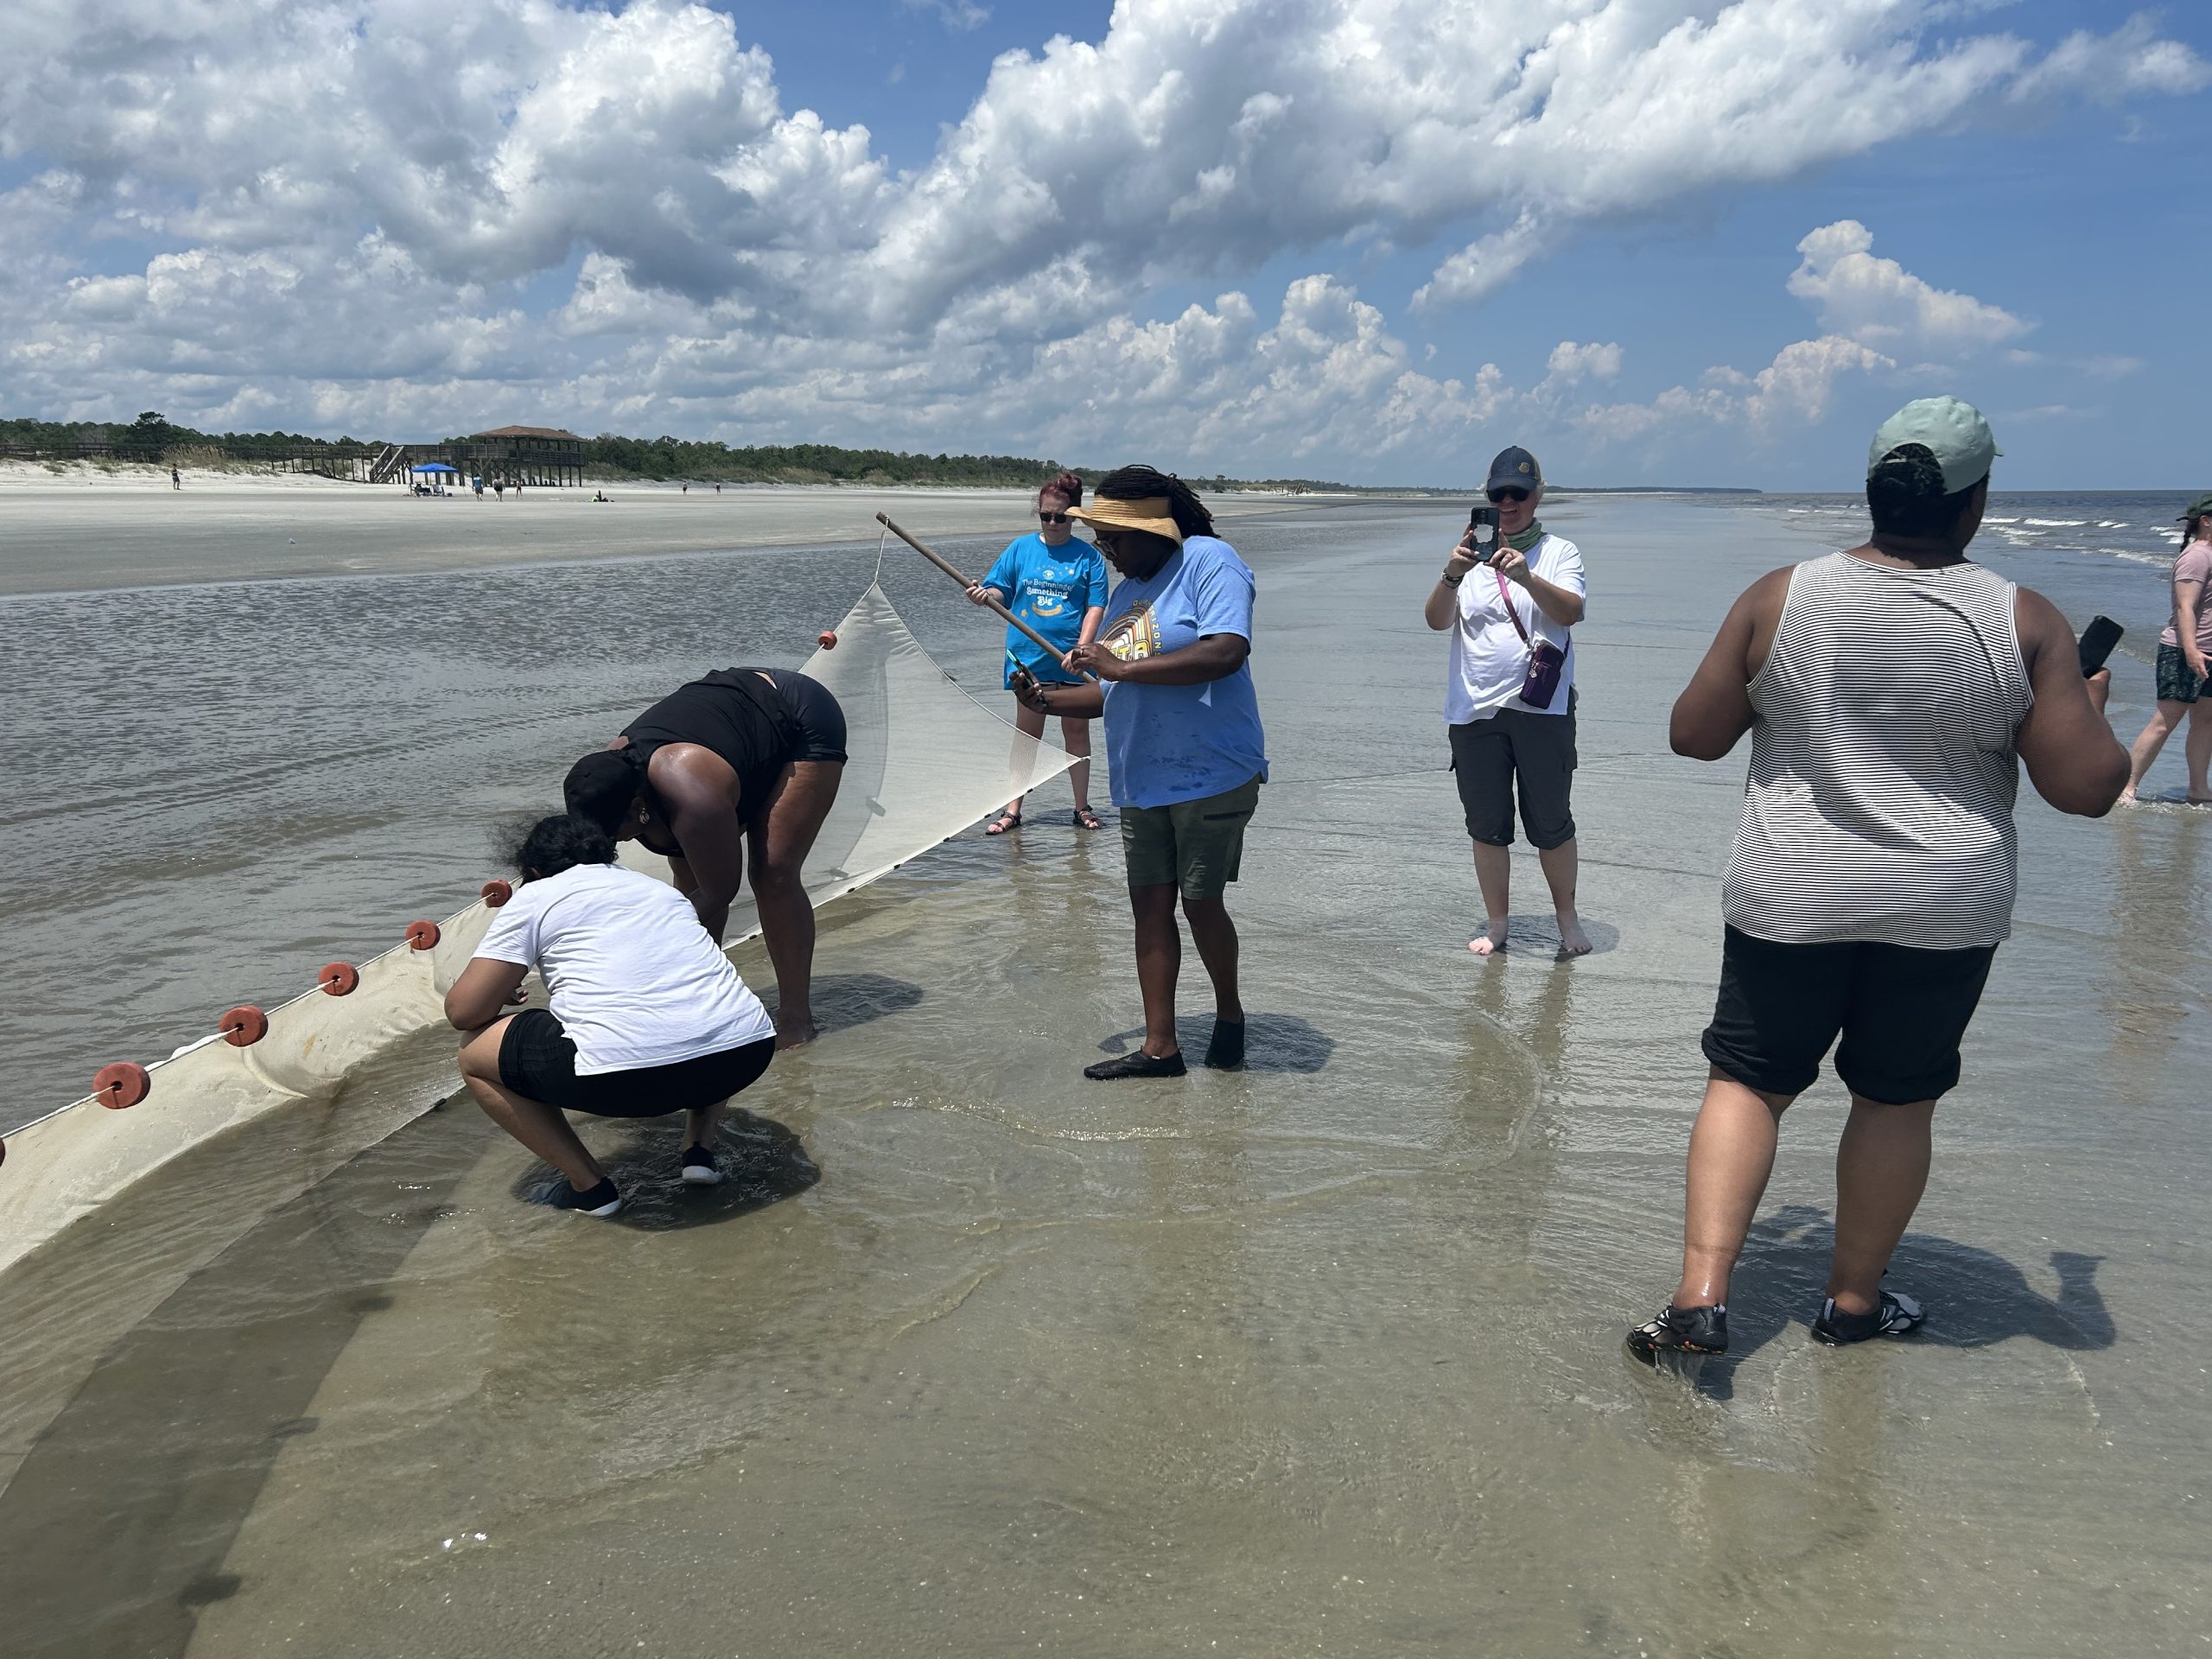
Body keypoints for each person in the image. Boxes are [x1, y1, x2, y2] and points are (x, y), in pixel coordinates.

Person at [1626, 397, 2127, 1363]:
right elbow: (2087, 789)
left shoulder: (1781, 595)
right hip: (1943, 902)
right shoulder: (2023, 618)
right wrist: (2084, 708)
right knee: (1896, 1100)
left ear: (1872, 490)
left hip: (1793, 887)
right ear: (1974, 504)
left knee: (1748, 1081)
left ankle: (1700, 1296)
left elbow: (1692, 736)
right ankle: (1852, 1304)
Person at [1014, 467, 1268, 1079]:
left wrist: (1122, 669)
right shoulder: (1128, 597)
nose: (1108, 551)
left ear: (1154, 532)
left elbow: (1227, 651)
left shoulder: (1211, 559)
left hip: (1213, 771)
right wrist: (1047, 699)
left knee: (1200, 901)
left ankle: (1230, 1015)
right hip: (1142, 779)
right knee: (1148, 908)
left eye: (1114, 539)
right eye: (1101, 540)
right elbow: (1108, 694)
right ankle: (1162, 1048)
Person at [444, 812, 779, 1217]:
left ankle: (590, 1188)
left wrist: (498, 992)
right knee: (699, 1007)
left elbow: (463, 1012)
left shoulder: (535, 896)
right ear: (608, 852)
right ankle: (699, 1153)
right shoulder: (659, 891)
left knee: (473, 1054)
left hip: (624, 1081)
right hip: (745, 1053)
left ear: (532, 869)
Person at [563, 665, 846, 1047]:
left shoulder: (691, 794)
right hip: (722, 726)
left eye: (618, 834)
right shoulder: (598, 781)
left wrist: (641, 945)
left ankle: (796, 1019)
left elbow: (719, 891)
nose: (620, 844)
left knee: (772, 872)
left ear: (638, 808)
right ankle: (700, 1005)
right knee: (689, 883)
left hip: (798, 715)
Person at [1422, 446, 1591, 957]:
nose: (1509, 502)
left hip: (1542, 710)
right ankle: (1497, 924)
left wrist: (1526, 576)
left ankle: (1567, 919)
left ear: (1538, 496)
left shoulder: (1561, 553)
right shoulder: (1467, 559)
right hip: (1474, 712)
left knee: (1551, 823)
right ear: (1488, 500)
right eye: (1499, 494)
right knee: (1487, 826)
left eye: (1519, 493)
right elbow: (1435, 620)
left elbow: (1572, 612)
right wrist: (1451, 572)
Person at [966, 469, 1109, 833]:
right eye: (1046, 515)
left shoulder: (1088, 557)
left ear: (1073, 515)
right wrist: (986, 596)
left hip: (1072, 662)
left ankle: (1081, 807)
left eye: (1061, 517)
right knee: (1027, 734)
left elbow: (1095, 605)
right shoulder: (1021, 549)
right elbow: (1000, 590)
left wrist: (1082, 650)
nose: (1053, 523)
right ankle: (1013, 810)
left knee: (1076, 734)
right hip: (1027, 657)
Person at [2120, 493, 2212, 804]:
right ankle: (2127, 787)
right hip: (2185, 651)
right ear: (2206, 521)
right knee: (2165, 722)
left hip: (2207, 654)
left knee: (2205, 721)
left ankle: (2198, 789)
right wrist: (2191, 651)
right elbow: (2186, 608)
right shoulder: (2197, 556)